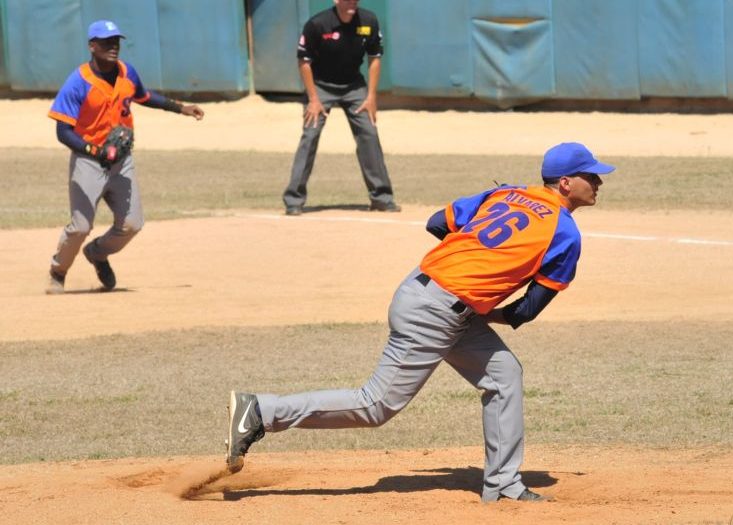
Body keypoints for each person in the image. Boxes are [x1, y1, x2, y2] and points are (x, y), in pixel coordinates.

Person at [228, 142, 614, 502]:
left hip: (423, 289)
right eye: (591, 175)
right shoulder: (564, 231)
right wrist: (481, 304)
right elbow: (526, 310)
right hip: (436, 312)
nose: (598, 182)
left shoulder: (505, 194)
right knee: (376, 405)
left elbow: (436, 222)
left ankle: (503, 484)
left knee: (504, 374)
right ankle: (261, 411)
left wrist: (470, 264)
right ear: (565, 183)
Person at [45, 20, 204, 294]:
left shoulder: (127, 72)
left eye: (116, 41)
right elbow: (63, 131)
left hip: (121, 162)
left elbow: (144, 96)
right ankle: (58, 270)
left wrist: (180, 108)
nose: (113, 47)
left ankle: (97, 253)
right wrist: (92, 150)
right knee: (81, 226)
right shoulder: (78, 82)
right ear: (92, 46)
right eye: (106, 42)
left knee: (132, 225)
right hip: (88, 162)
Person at [282, 0, 400, 215]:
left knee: (369, 134)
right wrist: (314, 99)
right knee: (310, 135)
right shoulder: (318, 24)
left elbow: (375, 58)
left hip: (354, 87)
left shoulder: (368, 20)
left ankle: (382, 197)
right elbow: (304, 61)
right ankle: (294, 200)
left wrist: (371, 96)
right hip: (320, 87)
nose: (352, 3)